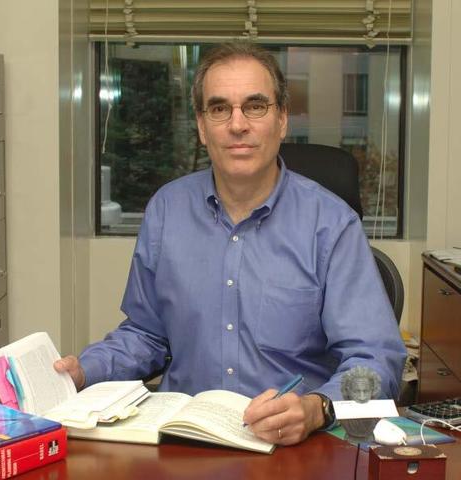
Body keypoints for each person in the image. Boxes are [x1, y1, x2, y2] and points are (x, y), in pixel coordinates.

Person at [55, 42, 406, 446]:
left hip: (292, 449)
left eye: (255, 106)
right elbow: (147, 335)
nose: (238, 124)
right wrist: (83, 370)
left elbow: (378, 361)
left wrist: (316, 408)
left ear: (282, 119)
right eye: (220, 108)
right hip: (184, 441)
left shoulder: (331, 224)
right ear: (203, 127)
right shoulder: (167, 209)